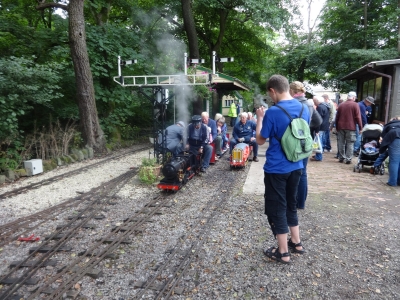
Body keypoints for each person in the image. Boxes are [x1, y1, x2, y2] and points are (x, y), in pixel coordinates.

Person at [255, 75, 308, 264]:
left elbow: (260, 139)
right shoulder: (304, 107)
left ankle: (283, 252)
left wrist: (260, 118)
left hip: (277, 168)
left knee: (277, 207)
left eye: (270, 95)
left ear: (272, 90)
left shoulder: (273, 112)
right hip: (298, 165)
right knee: (291, 204)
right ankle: (297, 242)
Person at [289, 81, 315, 209]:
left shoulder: (295, 104)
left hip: (297, 140)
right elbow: (318, 121)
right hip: (307, 140)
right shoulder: (310, 103)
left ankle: (295, 201)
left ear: (293, 91)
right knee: (303, 172)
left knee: (296, 172)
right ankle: (301, 202)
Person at [335, 91, 363, 164]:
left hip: (341, 126)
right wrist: (361, 128)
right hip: (350, 127)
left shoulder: (341, 105)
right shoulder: (355, 105)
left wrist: (337, 127)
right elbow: (358, 117)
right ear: (353, 97)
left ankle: (341, 157)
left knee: (341, 142)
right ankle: (348, 158)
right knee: (350, 143)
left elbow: (337, 117)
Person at [378, 116, 400, 186]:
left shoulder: (389, 125)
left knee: (394, 161)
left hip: (395, 138)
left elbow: (382, 137)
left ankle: (392, 182)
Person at [311, 96, 330, 161]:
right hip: (325, 126)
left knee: (318, 142)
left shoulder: (320, 107)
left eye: (314, 101)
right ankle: (318, 154)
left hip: (320, 127)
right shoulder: (326, 106)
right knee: (320, 141)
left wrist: (317, 130)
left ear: (317, 101)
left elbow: (318, 120)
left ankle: (318, 156)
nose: (314, 102)